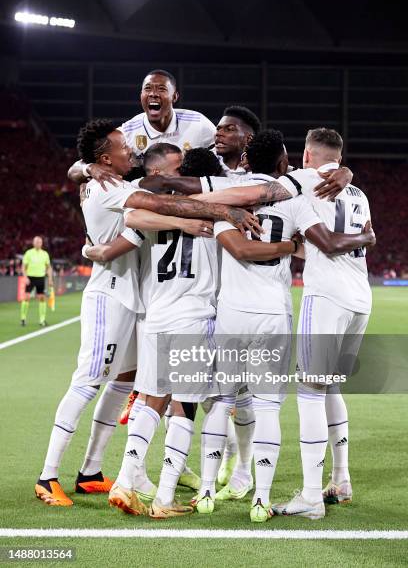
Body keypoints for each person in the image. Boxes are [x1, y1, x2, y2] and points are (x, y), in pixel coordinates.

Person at [35, 119, 259, 509]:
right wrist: (210, 212)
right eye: (124, 148)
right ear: (106, 158)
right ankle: (47, 475)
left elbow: (139, 206)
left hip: (145, 305)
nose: (132, 152)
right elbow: (141, 212)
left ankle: (94, 470)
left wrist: (84, 169)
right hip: (111, 297)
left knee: (126, 384)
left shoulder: (123, 183)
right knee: (90, 381)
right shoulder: (108, 186)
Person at [193, 129, 375, 521]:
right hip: (360, 298)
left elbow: (310, 236)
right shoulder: (358, 193)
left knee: (306, 389)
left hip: (324, 298)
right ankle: (340, 478)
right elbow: (353, 230)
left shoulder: (296, 184)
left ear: (307, 155)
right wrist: (367, 233)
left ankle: (311, 495)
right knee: (327, 386)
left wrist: (208, 201)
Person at [66, 69, 216, 187]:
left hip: (191, 195)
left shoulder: (198, 124)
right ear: (141, 95)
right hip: (150, 203)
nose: (153, 94)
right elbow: (74, 169)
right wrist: (90, 169)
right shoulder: (127, 133)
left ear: (174, 96)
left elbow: (224, 159)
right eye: (148, 89)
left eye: (161, 89)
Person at [20, 236, 53, 327]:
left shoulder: (45, 254)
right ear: (33, 243)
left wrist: (50, 279)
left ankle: (42, 320)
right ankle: (23, 318)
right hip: (30, 278)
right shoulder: (28, 253)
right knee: (26, 297)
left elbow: (48, 267)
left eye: (39, 242)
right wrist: (25, 277)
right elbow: (23, 267)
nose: (38, 243)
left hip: (40, 278)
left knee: (42, 298)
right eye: (36, 241)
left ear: (42, 243)